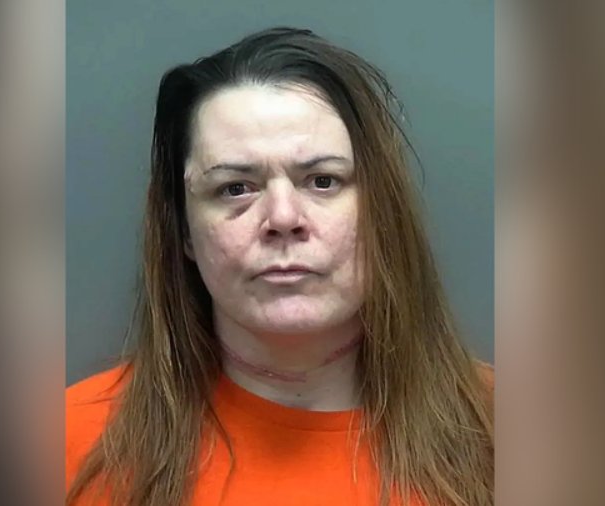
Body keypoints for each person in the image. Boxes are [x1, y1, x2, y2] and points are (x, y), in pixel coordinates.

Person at [66, 27, 493, 506]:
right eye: (235, 188)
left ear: (384, 212)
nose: (284, 218)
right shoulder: (65, 444)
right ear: (184, 230)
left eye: (323, 180)